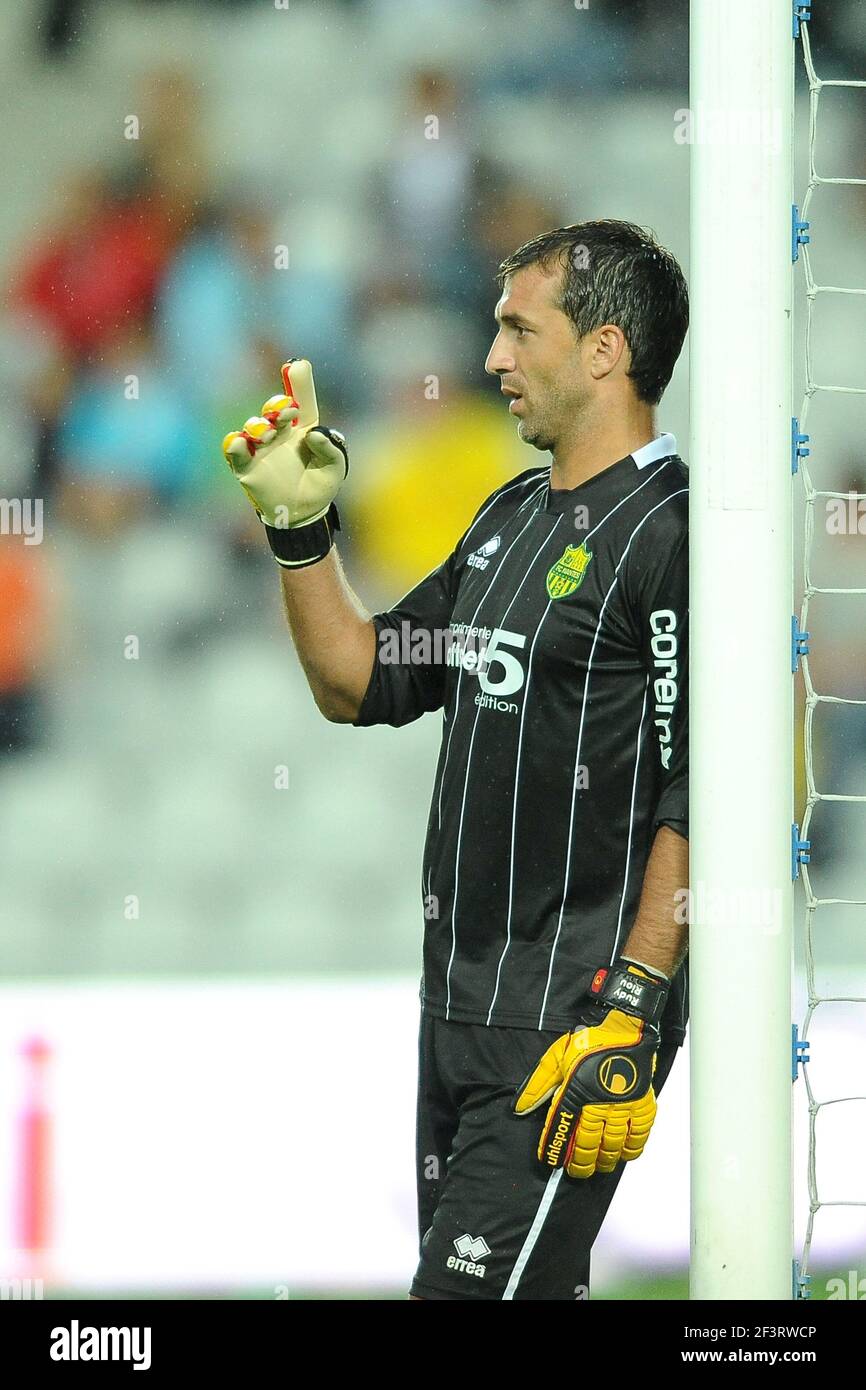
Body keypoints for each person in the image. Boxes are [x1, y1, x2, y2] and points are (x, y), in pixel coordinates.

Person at [220, 219, 690, 1301]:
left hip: (570, 1021)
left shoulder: (672, 534)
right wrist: (301, 531)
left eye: (518, 330)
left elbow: (699, 791)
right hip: (457, 1009)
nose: (492, 360)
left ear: (604, 350)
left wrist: (634, 1000)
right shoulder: (507, 517)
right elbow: (364, 680)